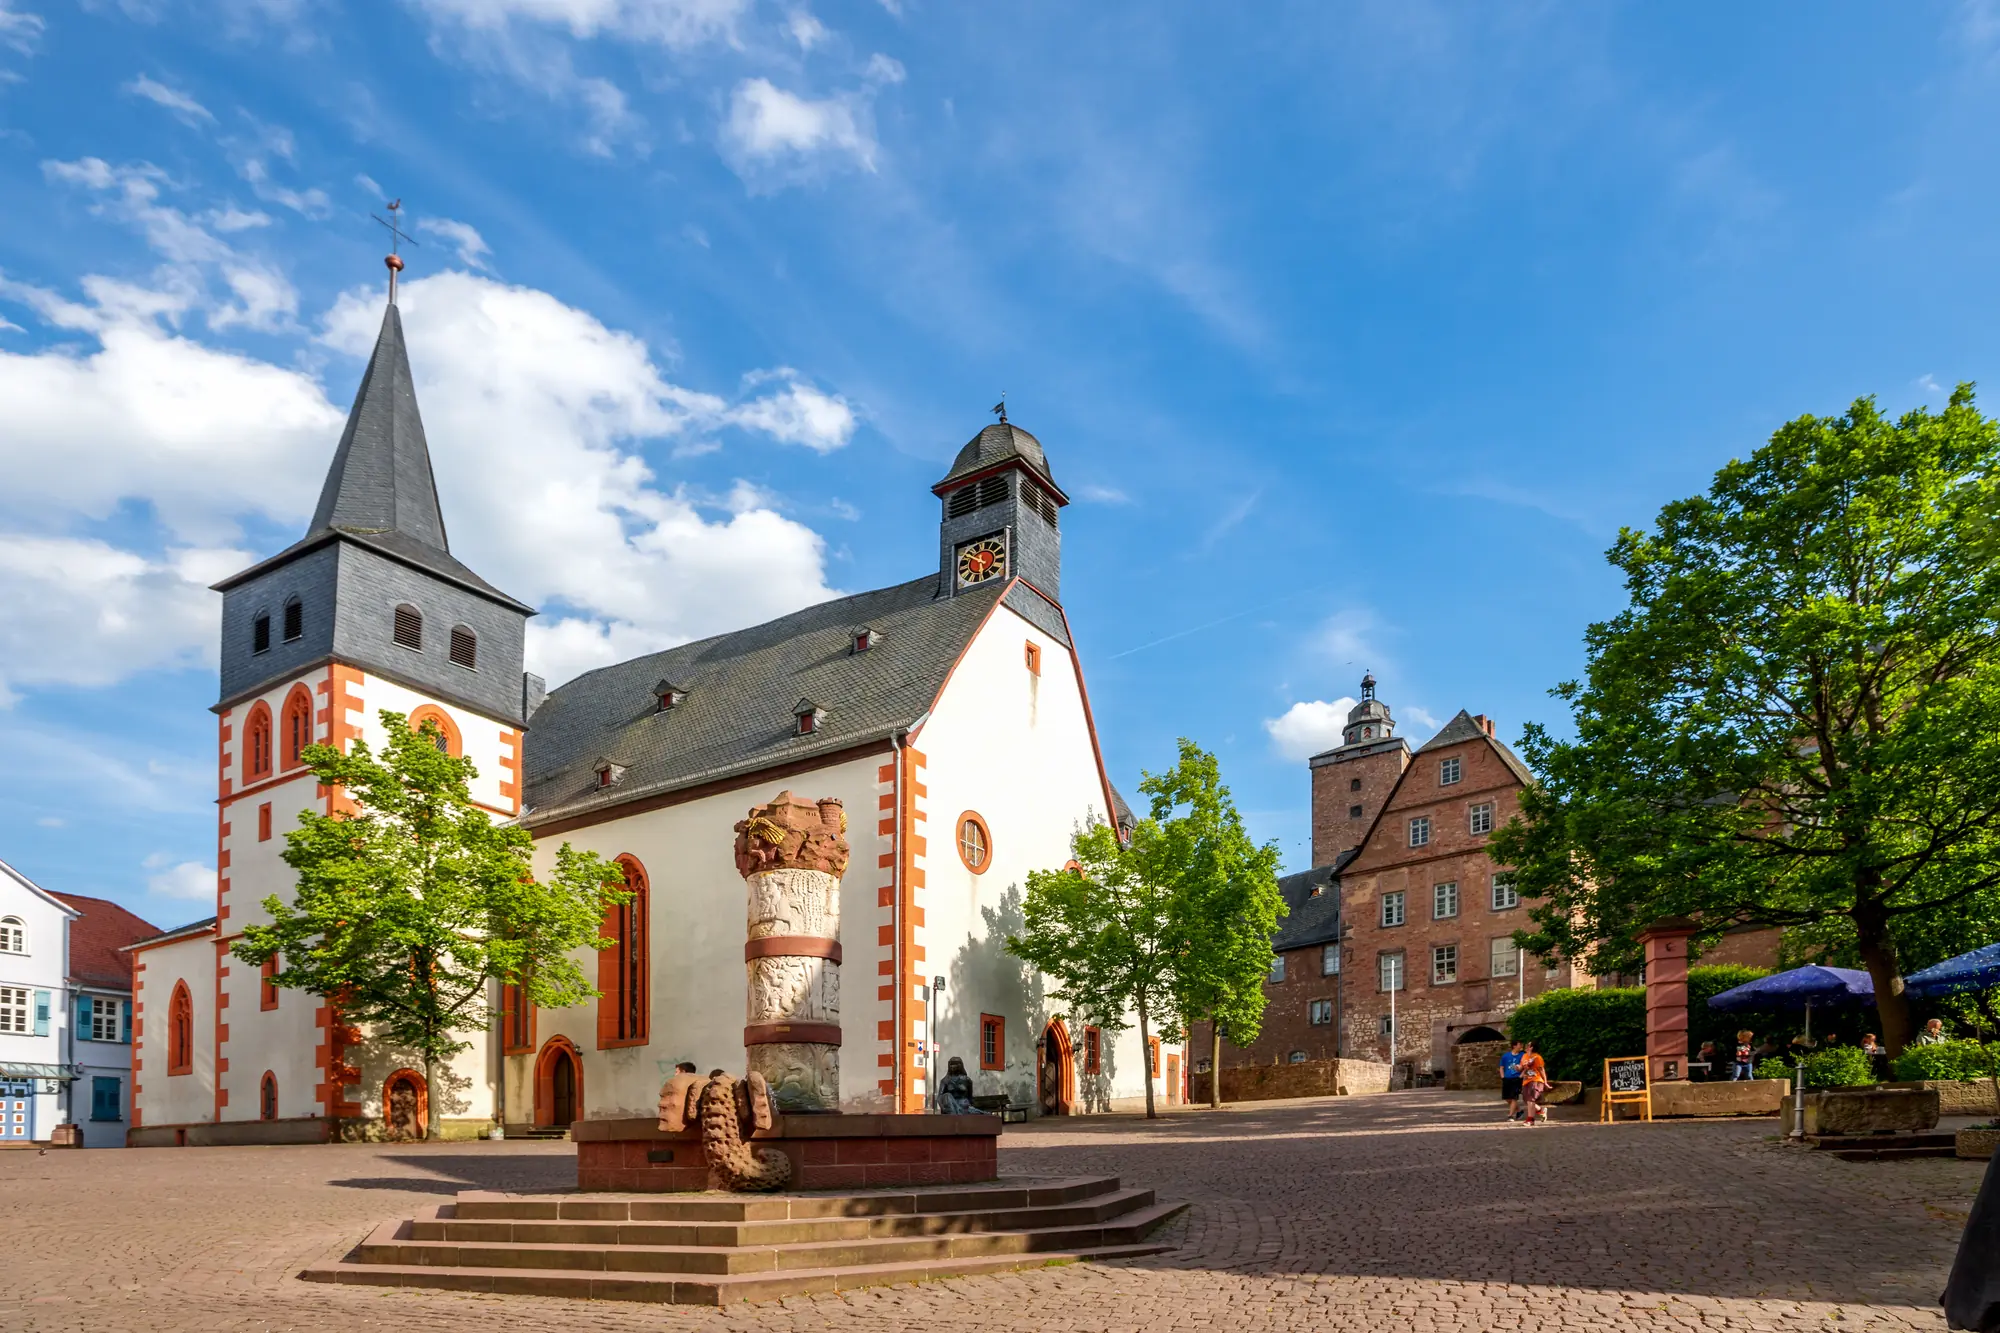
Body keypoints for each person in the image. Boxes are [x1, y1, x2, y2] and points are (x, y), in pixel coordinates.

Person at [1518, 1040, 1550, 1126]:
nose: (1525, 1047)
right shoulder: (1524, 1056)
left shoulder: (1537, 1057)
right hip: (1526, 1080)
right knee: (1527, 1100)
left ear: (1531, 1047)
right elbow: (1521, 1067)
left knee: (1531, 1100)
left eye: (1527, 1045)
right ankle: (1541, 1110)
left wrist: (1545, 1082)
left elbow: (1541, 1070)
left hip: (1536, 1080)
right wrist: (1517, 1067)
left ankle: (1530, 1120)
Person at [1498, 1041, 1525, 1121]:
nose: (1521, 1046)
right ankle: (1519, 1111)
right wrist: (1503, 1077)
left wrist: (1521, 1076)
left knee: (1514, 1097)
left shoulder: (1523, 1055)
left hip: (1517, 1078)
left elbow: (1526, 1067)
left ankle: (1510, 1116)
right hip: (1507, 1078)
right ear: (1514, 1046)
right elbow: (1501, 1067)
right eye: (1519, 1044)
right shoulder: (1506, 1056)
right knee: (1507, 1098)